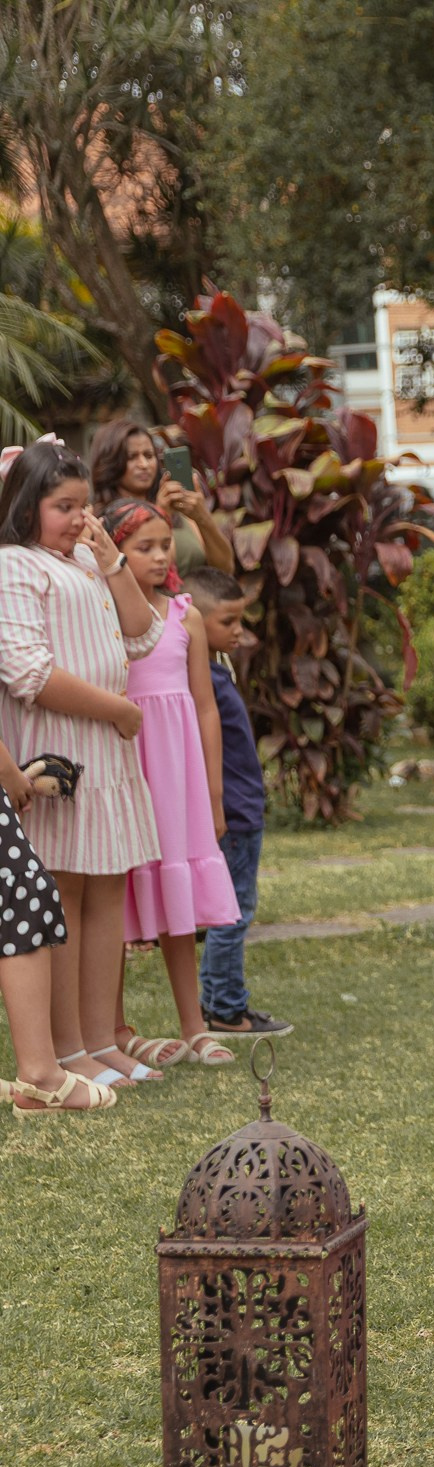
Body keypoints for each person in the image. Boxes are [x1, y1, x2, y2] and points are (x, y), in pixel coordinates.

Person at [0, 440, 168, 1089]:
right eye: (62, 506)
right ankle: (67, 1049)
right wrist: (115, 712)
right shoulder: (17, 565)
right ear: (25, 506)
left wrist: (113, 560)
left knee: (107, 891)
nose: (77, 518)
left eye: (84, 505)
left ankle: (101, 1039)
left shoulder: (86, 562)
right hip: (67, 744)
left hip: (109, 757)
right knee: (63, 896)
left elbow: (144, 634)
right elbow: (28, 672)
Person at [0, 441, 112, 1115]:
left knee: (27, 898)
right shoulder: (16, 568)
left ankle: (41, 1071)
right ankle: (41, 1073)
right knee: (29, 899)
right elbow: (27, 671)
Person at [106, 503, 239, 1066]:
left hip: (178, 773)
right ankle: (112, 1029)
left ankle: (194, 1027)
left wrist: (212, 793)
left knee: (177, 902)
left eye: (165, 545)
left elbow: (206, 708)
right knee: (113, 902)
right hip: (127, 769)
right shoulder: (102, 615)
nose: (160, 556)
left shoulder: (185, 615)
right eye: (145, 547)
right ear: (114, 553)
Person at [182, 567, 289, 1040]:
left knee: (233, 907)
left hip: (244, 805)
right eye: (228, 622)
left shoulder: (215, 665)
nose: (239, 633)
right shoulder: (197, 674)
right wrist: (219, 807)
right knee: (234, 910)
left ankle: (220, 1002)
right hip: (235, 813)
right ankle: (226, 1008)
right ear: (194, 620)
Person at [87, 418, 234, 577]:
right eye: (132, 457)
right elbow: (150, 576)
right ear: (110, 463)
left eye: (149, 455)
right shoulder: (104, 522)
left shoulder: (179, 509)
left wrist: (202, 517)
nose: (143, 464)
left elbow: (225, 569)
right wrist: (161, 514)